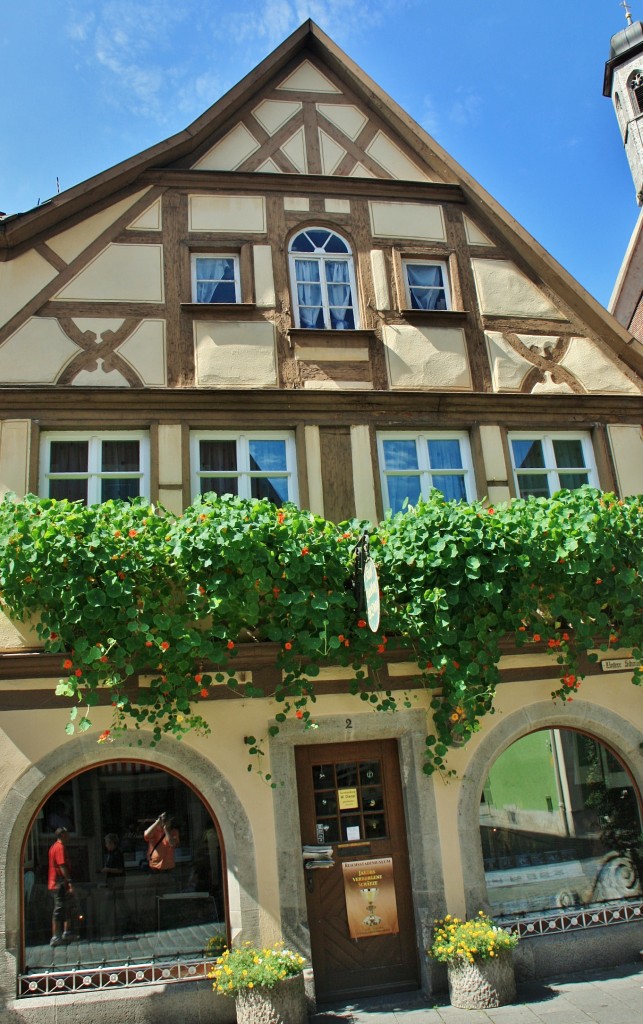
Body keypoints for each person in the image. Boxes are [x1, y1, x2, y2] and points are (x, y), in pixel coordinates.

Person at [48, 827, 78, 946]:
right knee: (59, 909)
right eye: (68, 834)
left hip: (57, 882)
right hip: (59, 883)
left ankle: (66, 932)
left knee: (66, 908)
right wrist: (69, 882)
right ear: (63, 835)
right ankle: (56, 936)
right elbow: (62, 865)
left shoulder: (54, 846)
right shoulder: (59, 847)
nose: (69, 837)